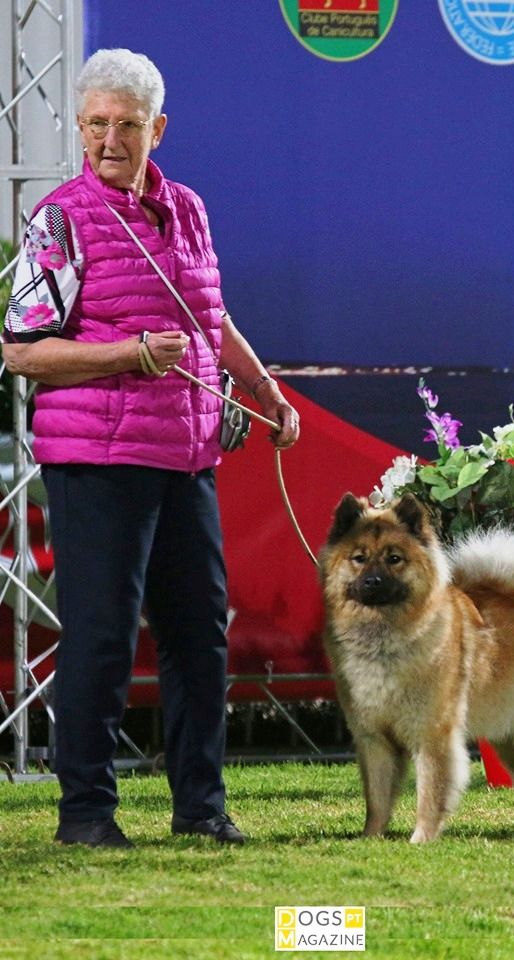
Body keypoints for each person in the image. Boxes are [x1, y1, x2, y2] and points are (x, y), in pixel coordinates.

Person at [1, 48, 300, 848]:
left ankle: (201, 807)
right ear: (78, 126)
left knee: (199, 634)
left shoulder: (190, 210)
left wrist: (266, 391)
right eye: (95, 124)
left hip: (187, 457)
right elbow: (22, 349)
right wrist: (128, 354)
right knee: (101, 634)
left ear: (156, 130)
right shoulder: (59, 219)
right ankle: (86, 815)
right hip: (97, 462)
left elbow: (212, 319)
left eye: (126, 126)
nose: (108, 141)